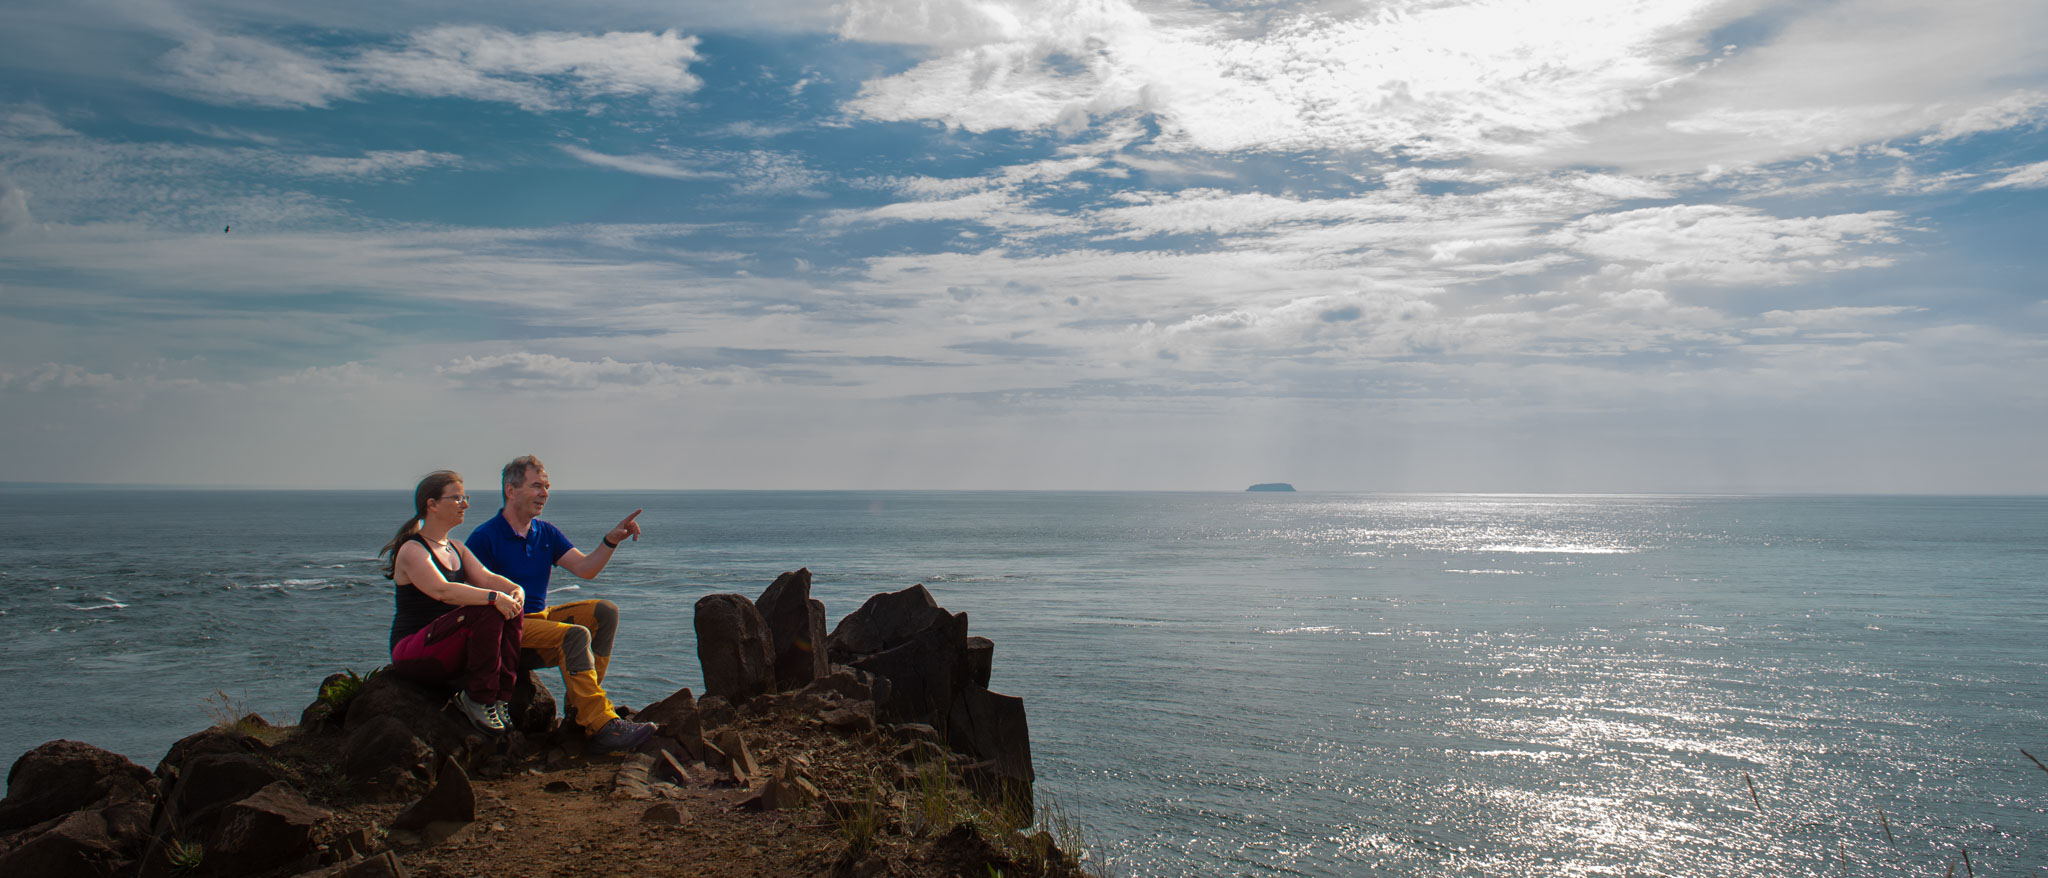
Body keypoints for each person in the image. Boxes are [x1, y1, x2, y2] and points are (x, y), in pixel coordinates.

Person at [465, 455, 656, 753]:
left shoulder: (546, 532)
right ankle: (602, 724)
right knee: (576, 634)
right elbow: (472, 602)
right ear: (510, 490)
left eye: (547, 486)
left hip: (539, 620)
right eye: (537, 486)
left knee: (604, 612)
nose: (545, 493)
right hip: (509, 631)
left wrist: (610, 541)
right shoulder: (484, 538)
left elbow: (586, 569)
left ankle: (580, 714)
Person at [380, 471, 527, 734]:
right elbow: (443, 591)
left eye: (465, 497)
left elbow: (486, 578)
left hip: (447, 645)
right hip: (415, 651)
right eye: (457, 498)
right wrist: (495, 598)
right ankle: (478, 699)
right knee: (490, 608)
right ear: (432, 504)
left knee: (510, 608)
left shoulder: (456, 548)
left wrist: (515, 591)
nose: (465, 504)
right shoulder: (413, 550)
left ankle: (500, 698)